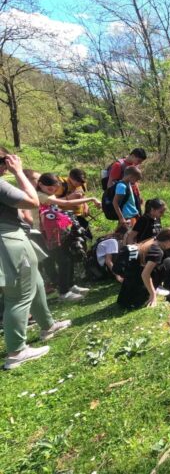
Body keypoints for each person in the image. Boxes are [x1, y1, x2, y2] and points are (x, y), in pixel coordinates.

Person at [0, 149, 71, 369]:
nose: (8, 164)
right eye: (5, 160)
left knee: (37, 282)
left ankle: (47, 326)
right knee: (18, 296)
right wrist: (18, 172)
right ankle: (16, 352)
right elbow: (32, 202)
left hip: (14, 236)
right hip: (8, 239)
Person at [36, 173, 101, 301]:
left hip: (56, 232)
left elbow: (59, 208)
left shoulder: (49, 194)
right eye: (50, 188)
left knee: (68, 257)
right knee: (62, 260)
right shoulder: (40, 196)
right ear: (40, 184)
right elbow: (67, 202)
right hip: (44, 235)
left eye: (55, 188)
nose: (53, 191)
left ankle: (70, 286)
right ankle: (63, 292)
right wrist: (91, 199)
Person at [117, 228, 170, 309]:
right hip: (135, 298)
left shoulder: (149, 242)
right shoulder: (157, 252)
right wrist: (153, 295)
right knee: (169, 262)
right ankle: (154, 290)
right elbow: (145, 274)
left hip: (124, 295)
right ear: (167, 241)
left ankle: (155, 288)